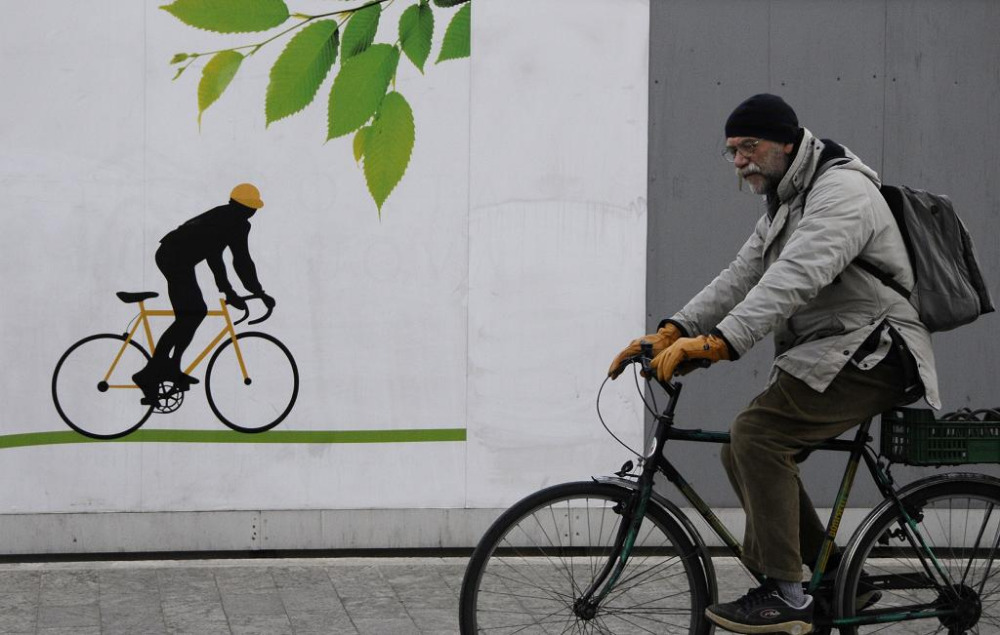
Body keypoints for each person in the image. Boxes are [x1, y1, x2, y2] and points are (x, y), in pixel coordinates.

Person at [609, 94, 938, 634]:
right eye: (731, 151)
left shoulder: (841, 192)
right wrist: (676, 329)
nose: (739, 161)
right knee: (744, 451)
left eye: (749, 147)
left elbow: (794, 278)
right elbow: (741, 275)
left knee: (758, 436)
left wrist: (719, 344)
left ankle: (788, 593)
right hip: (838, 352)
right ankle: (830, 575)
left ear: (787, 142)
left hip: (878, 352)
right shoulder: (790, 200)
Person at [132, 183, 275, 405]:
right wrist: (249, 292)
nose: (253, 211)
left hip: (180, 259)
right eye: (251, 206)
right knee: (193, 312)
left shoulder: (232, 220)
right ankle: (150, 373)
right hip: (172, 257)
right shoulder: (229, 221)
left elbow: (228, 258)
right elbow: (232, 260)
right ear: (242, 206)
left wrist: (238, 291)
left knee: (193, 314)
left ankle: (171, 368)